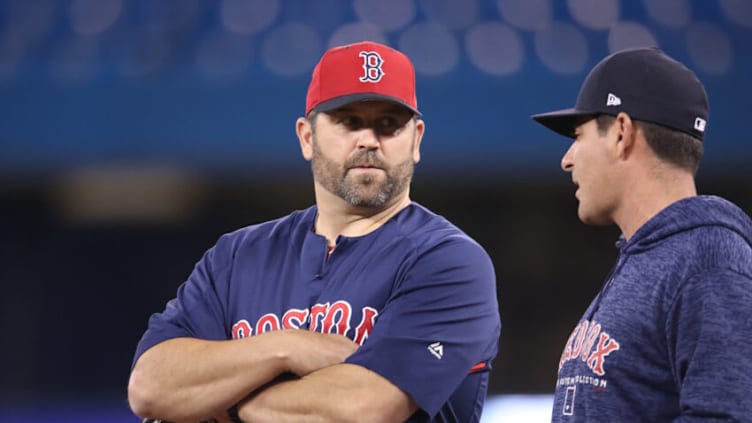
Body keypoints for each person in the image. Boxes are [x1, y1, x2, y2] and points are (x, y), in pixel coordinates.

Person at [128, 40, 501, 423]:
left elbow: (360, 409)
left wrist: (222, 401)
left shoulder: (448, 262)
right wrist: (286, 346)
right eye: (349, 121)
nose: (369, 140)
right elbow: (150, 386)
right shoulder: (238, 255)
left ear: (417, 139)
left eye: (389, 125)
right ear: (307, 137)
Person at [531, 47, 752, 421]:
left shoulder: (710, 263)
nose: (567, 159)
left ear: (621, 133)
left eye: (578, 135)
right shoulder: (654, 256)